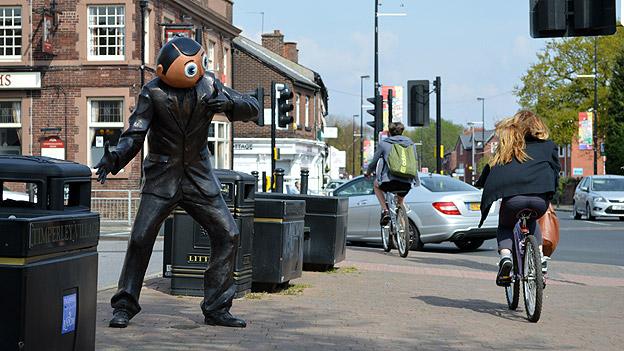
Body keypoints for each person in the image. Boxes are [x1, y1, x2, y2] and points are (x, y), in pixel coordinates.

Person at [95, 37, 259, 328]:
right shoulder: (152, 92)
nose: (195, 70)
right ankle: (124, 304)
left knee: (228, 233)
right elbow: (135, 134)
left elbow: (253, 106)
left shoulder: (210, 86)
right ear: (163, 69)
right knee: (140, 237)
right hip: (163, 178)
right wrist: (115, 158)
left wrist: (229, 102)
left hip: (198, 177)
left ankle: (217, 307)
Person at [476, 110, 560, 286]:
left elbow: (491, 169)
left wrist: (480, 184)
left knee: (505, 226)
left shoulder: (509, 146)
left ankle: (506, 258)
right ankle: (540, 259)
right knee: (533, 222)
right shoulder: (549, 146)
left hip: (514, 200)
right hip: (539, 200)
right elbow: (555, 170)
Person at [364, 122, 419, 225]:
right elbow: (414, 161)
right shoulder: (411, 144)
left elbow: (374, 162)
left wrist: (368, 173)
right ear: (402, 132)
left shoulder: (384, 144)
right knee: (400, 203)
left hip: (389, 182)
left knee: (376, 185)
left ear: (389, 132)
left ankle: (385, 211)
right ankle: (403, 228)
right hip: (406, 183)